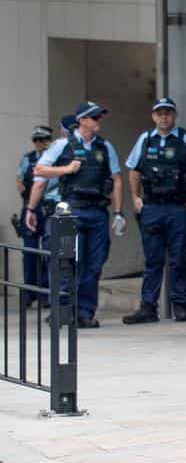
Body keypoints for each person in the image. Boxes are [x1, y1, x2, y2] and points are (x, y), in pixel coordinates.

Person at [28, 101, 125, 328]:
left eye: (99, 116)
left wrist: (119, 213)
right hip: (70, 210)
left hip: (98, 212)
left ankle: (84, 313)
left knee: (94, 264)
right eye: (94, 117)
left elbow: (117, 180)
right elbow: (39, 170)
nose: (98, 120)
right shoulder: (62, 145)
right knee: (67, 262)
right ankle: (62, 311)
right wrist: (66, 169)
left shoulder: (105, 146)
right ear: (81, 120)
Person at [122, 97, 186, 324]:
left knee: (178, 259)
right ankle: (148, 307)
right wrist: (135, 197)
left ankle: (180, 307)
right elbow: (133, 169)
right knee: (152, 260)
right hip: (152, 208)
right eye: (160, 113)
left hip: (178, 209)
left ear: (175, 116)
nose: (164, 117)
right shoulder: (145, 139)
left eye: (168, 112)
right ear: (153, 116)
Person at [14, 125, 54, 308]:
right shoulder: (28, 159)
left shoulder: (56, 157)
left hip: (48, 209)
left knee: (48, 251)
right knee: (29, 252)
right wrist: (25, 194)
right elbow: (20, 179)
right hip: (31, 208)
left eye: (42, 139)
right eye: (36, 140)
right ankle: (29, 292)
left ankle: (45, 292)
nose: (39, 143)